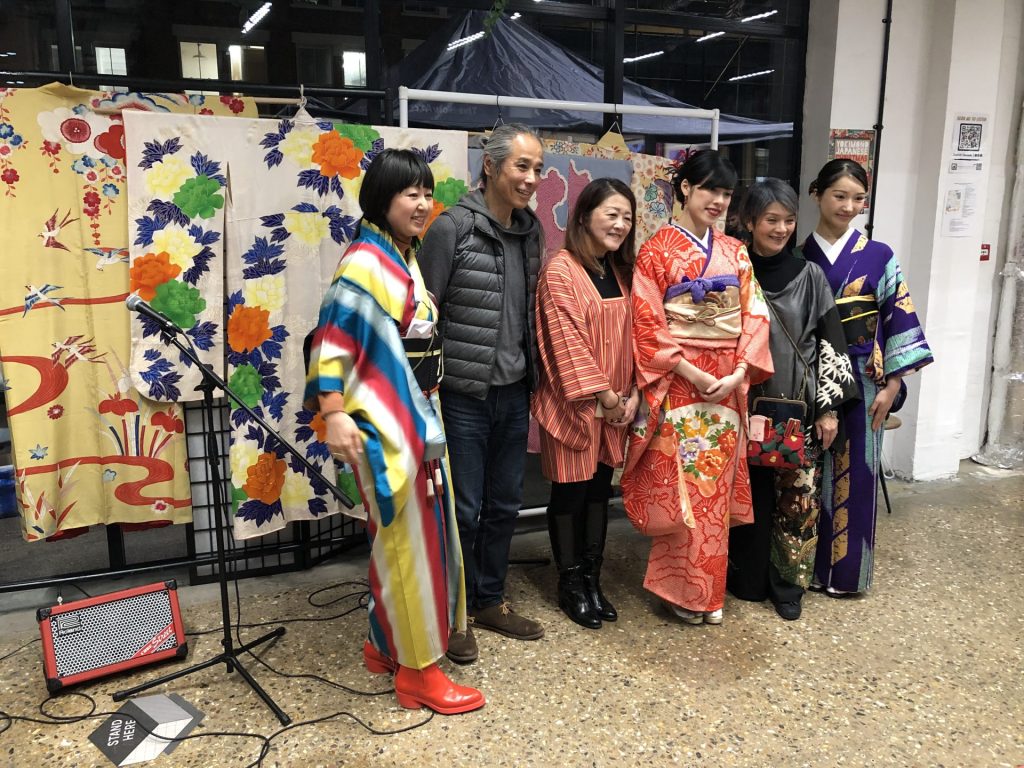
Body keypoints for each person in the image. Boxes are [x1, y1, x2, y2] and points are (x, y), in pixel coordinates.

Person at [305, 148, 483, 715]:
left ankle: (383, 645)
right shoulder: (365, 262)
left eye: (427, 193)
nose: (423, 203)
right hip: (391, 421)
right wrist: (333, 411)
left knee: (404, 541)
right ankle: (418, 672)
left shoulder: (397, 256)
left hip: (413, 414)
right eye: (411, 193)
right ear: (383, 199)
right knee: (414, 547)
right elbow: (332, 339)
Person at [621, 149, 772, 626]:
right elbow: (646, 322)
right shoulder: (657, 249)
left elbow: (755, 314)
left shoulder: (735, 251)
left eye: (726, 193)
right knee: (685, 489)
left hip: (727, 385)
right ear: (685, 188)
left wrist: (740, 371)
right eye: (710, 189)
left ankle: (707, 592)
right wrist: (691, 371)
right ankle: (685, 592)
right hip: (681, 386)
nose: (719, 201)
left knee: (714, 491)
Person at [419, 124, 546, 664]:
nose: (531, 179)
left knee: (505, 506)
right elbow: (424, 315)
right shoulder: (451, 227)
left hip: (515, 391)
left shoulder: (532, 231)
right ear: (491, 166)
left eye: (538, 169)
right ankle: (455, 615)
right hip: (464, 394)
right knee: (463, 511)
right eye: (522, 166)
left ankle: (491, 600)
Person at [726, 179, 858, 621]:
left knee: (797, 499)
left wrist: (829, 409)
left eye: (788, 220)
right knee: (747, 495)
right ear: (749, 222)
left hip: (796, 405)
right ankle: (745, 577)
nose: (781, 228)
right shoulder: (734, 269)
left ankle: (788, 586)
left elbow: (831, 345)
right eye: (770, 220)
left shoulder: (810, 276)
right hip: (740, 404)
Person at [801, 159, 933, 596]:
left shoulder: (880, 256)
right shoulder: (800, 257)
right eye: (839, 195)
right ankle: (803, 571)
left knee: (857, 472)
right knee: (806, 474)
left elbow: (898, 318)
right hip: (810, 377)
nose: (849, 206)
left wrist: (893, 384)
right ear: (817, 193)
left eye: (858, 198)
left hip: (865, 379)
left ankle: (848, 576)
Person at [532, 178, 640, 630]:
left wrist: (634, 393)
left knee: (599, 490)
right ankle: (570, 582)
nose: (619, 224)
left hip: (617, 406)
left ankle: (593, 578)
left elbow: (638, 336)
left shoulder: (618, 269)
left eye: (627, 218)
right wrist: (606, 396)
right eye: (611, 214)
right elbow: (565, 343)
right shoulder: (561, 269)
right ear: (583, 216)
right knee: (570, 491)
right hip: (576, 406)